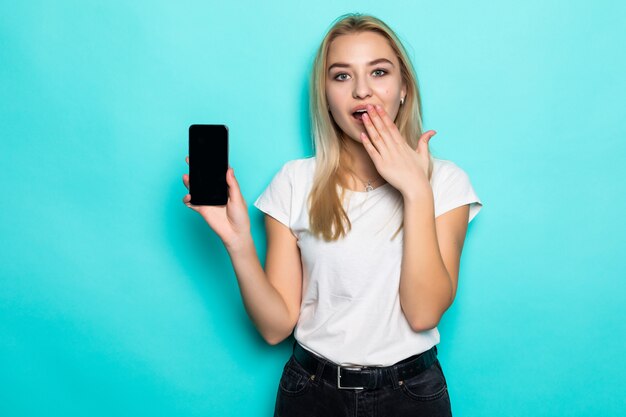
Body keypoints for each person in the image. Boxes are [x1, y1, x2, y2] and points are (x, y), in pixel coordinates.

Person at [182, 12, 482, 417]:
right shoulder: (293, 181)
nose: (362, 91)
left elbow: (424, 311)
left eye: (379, 72)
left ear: (404, 88)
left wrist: (415, 189)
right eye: (342, 76)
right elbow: (274, 329)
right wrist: (237, 243)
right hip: (311, 394)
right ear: (325, 95)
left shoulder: (446, 182)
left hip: (410, 395)